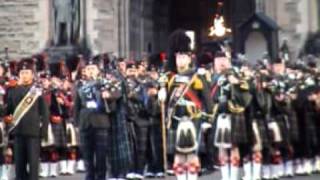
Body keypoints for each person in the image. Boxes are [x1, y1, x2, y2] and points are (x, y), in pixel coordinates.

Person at [74, 58, 121, 180]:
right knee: (87, 156)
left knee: (101, 156)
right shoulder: (79, 85)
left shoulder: (105, 82)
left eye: (93, 69)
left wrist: (108, 95)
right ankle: (89, 177)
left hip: (100, 122)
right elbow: (77, 106)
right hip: (85, 123)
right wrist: (76, 124)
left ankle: (101, 177)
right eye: (88, 69)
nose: (90, 71)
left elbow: (117, 93)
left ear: (98, 70)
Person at [5, 58, 49, 180]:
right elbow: (7, 111)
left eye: (27, 73)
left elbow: (45, 113)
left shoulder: (37, 91)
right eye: (22, 73)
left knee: (33, 164)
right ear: (19, 75)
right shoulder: (12, 91)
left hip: (33, 132)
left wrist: (43, 131)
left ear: (32, 75)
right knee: (19, 165)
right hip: (18, 132)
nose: (24, 75)